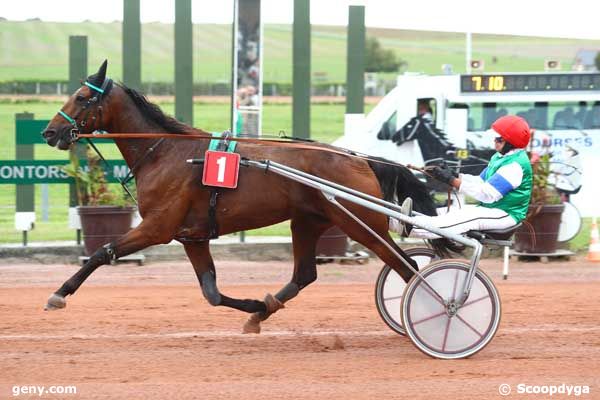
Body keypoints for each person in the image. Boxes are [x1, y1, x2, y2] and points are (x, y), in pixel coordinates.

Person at [390, 115, 533, 238]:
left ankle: (401, 224)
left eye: (499, 140)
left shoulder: (514, 166)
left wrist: (451, 181)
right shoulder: (499, 157)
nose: (494, 142)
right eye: (495, 139)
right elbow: (480, 181)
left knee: (453, 221)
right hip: (491, 209)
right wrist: (454, 174)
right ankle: (395, 219)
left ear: (511, 143)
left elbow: (487, 195)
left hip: (505, 214)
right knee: (442, 213)